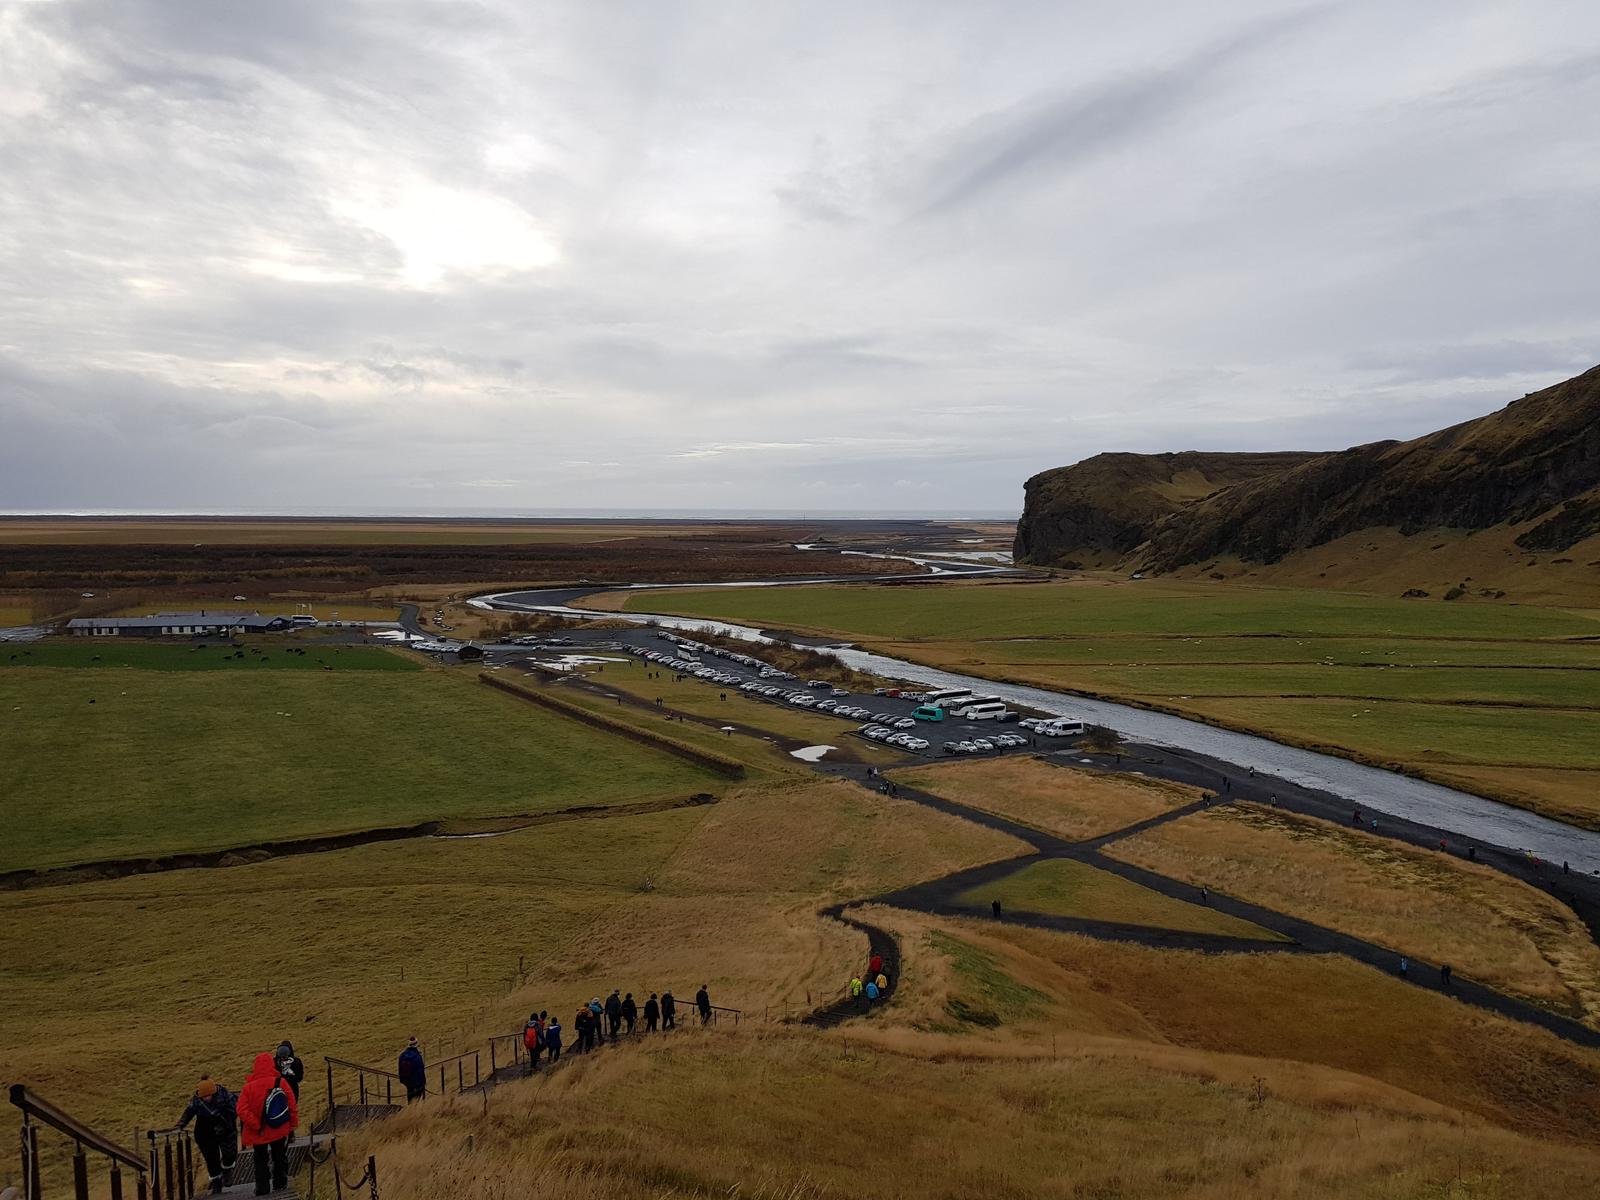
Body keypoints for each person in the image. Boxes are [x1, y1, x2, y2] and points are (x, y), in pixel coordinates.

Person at [237, 1052, 297, 1196]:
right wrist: (292, 1124)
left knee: (260, 1159)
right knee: (279, 1156)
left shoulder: (248, 1087)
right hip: (278, 1127)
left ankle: (262, 1187)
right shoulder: (280, 1082)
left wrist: (256, 1124)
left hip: (259, 1131)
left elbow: (241, 1109)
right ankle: (280, 1183)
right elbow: (291, 1104)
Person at [178, 1076, 238, 1195]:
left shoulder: (225, 1096)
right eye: (204, 1097)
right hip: (205, 1129)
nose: (206, 1098)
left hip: (225, 1124)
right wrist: (181, 1124)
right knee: (211, 1158)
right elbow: (189, 1112)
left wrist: (224, 1125)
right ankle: (216, 1183)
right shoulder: (197, 1101)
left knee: (230, 1152)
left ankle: (227, 1169)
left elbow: (233, 1111)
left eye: (208, 1096)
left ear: (214, 1093)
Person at [397, 1037, 426, 1102]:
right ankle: (417, 1106)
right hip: (417, 1081)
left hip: (407, 1081)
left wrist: (402, 1079)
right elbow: (421, 1070)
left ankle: (410, 1106)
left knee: (410, 1095)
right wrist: (423, 1082)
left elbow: (400, 1069)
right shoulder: (417, 1056)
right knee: (418, 1097)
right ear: (416, 1044)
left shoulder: (402, 1055)